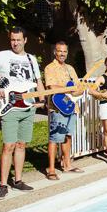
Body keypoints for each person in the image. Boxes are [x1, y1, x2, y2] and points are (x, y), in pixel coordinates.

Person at [0, 26, 43, 200]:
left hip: (28, 107)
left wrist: (42, 100)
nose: (15, 43)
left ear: (25, 40)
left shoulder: (31, 59)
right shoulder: (1, 56)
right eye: (13, 39)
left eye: (18, 40)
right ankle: (3, 185)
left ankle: (18, 180)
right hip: (9, 107)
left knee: (21, 144)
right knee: (8, 146)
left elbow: (38, 82)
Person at [43, 41, 84, 179]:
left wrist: (75, 92)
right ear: (55, 52)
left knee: (68, 135)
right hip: (57, 108)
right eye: (60, 51)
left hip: (71, 106)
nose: (62, 54)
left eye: (64, 52)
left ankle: (67, 165)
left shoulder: (70, 69)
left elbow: (78, 88)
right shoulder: (50, 68)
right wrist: (67, 89)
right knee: (54, 138)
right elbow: (51, 87)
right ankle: (51, 169)